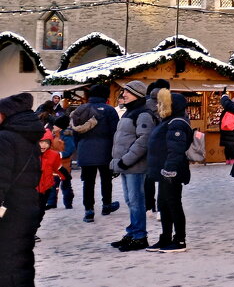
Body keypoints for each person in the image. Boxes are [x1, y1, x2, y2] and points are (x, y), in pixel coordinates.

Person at [0, 92, 45, 287]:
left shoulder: (4, 139)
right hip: (26, 207)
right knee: (21, 261)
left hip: (8, 212)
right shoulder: (27, 137)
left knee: (6, 265)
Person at [108, 80, 156, 252]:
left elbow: (143, 141)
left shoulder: (142, 114)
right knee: (130, 200)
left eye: (127, 92)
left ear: (137, 94)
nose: (123, 95)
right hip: (126, 165)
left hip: (134, 165)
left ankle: (140, 236)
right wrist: (116, 163)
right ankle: (133, 231)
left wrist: (125, 160)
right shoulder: (129, 113)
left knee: (136, 201)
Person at [146, 89, 194, 252]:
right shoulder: (169, 121)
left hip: (171, 172)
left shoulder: (177, 123)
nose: (159, 106)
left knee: (173, 204)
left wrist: (169, 170)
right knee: (164, 205)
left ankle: (179, 240)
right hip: (164, 171)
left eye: (163, 103)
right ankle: (165, 237)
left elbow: (176, 149)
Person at [70, 82, 120, 222]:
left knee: (88, 181)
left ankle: (89, 211)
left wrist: (80, 147)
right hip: (106, 150)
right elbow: (115, 132)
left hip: (85, 149)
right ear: (105, 96)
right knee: (106, 179)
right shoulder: (109, 110)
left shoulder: (81, 110)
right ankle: (106, 205)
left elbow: (75, 133)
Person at [143, 79, 169, 217]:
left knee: (149, 176)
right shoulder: (171, 102)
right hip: (165, 144)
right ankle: (160, 208)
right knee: (164, 177)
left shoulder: (145, 104)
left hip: (147, 143)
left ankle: (149, 206)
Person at [50, 114, 75, 209]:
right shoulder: (54, 135)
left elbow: (70, 149)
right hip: (54, 164)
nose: (53, 126)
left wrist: (58, 155)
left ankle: (68, 203)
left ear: (59, 127)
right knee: (52, 184)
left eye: (55, 125)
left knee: (66, 185)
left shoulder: (66, 136)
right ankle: (51, 203)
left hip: (64, 165)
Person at [36, 127, 62, 218]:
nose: (43, 145)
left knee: (41, 211)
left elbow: (58, 167)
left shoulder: (54, 154)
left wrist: (65, 177)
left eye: (46, 143)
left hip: (47, 186)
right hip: (34, 188)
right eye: (40, 142)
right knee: (33, 211)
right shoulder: (32, 155)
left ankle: (34, 227)